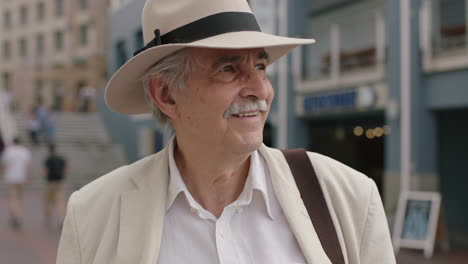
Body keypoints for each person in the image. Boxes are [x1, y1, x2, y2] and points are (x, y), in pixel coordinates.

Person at [57, 0, 396, 263]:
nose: (260, 89)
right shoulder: (92, 215)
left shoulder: (348, 197)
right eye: (229, 69)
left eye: (260, 66)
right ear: (166, 95)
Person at [0, 137, 32, 230]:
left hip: (11, 177)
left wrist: (2, 173)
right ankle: (15, 215)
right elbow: (28, 166)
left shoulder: (9, 151)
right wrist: (28, 177)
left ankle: (17, 216)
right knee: (19, 197)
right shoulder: (25, 151)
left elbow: (5, 164)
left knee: (13, 198)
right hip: (21, 177)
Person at [43, 143, 67, 228]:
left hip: (50, 182)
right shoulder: (61, 158)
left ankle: (48, 219)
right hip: (59, 182)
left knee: (48, 201)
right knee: (60, 201)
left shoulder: (48, 159)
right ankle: (61, 219)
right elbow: (67, 168)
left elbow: (45, 171)